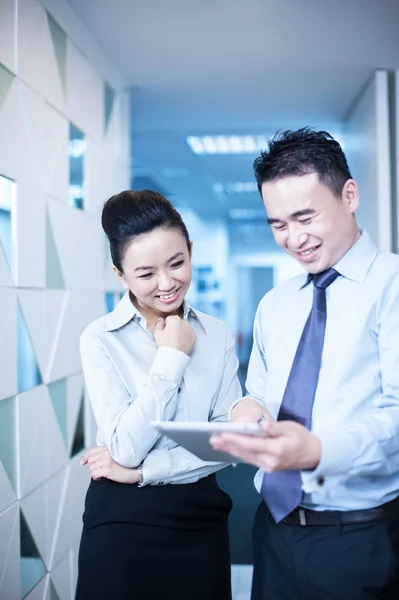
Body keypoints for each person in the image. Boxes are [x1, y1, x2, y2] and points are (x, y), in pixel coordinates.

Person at [211, 128, 399, 599]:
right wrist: (244, 412)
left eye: (304, 216)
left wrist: (315, 450)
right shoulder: (274, 304)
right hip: (273, 530)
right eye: (278, 224)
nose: (293, 238)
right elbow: (256, 392)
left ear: (349, 195)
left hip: (361, 537)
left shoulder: (392, 288)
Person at [75, 190, 241, 600]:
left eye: (177, 263)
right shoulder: (99, 338)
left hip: (200, 517)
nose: (167, 284)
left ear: (190, 250)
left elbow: (227, 443)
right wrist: (171, 357)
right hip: (120, 524)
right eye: (146, 274)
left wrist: (144, 473)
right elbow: (126, 447)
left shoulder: (217, 334)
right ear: (120, 275)